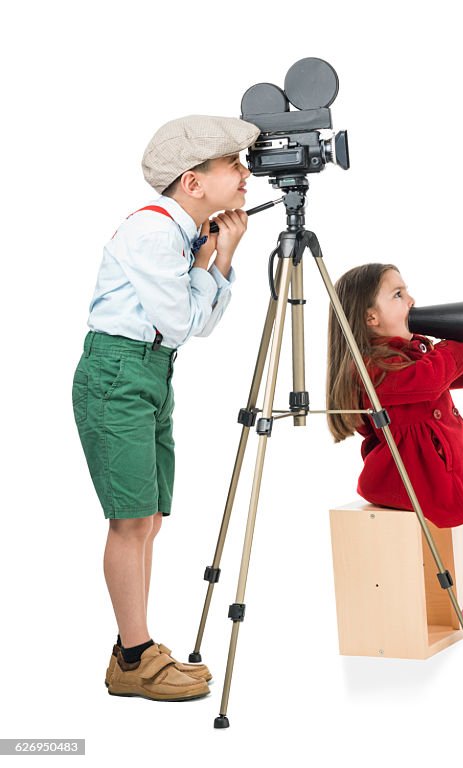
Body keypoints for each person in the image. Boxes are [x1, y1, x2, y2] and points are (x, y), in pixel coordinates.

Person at [73, 115, 259, 700]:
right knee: (131, 520)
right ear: (193, 182)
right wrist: (209, 262)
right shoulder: (154, 233)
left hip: (150, 372)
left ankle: (138, 650)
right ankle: (134, 656)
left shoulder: (186, 237)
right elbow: (181, 322)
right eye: (233, 164)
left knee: (149, 519)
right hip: (118, 371)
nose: (246, 173)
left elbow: (194, 324)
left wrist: (220, 255)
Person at [326, 264, 463, 643]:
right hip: (411, 470)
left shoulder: (412, 349)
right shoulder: (371, 368)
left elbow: (457, 374)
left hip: (446, 456)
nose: (412, 300)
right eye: (398, 294)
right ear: (371, 317)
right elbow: (432, 379)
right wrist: (459, 340)